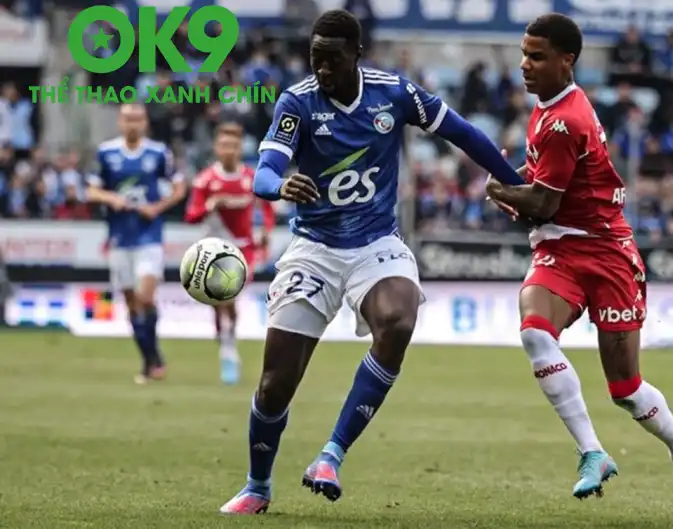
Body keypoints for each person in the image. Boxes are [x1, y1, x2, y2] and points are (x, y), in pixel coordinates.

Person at [220, 9, 524, 515]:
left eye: (332, 59)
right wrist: (280, 186)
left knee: (399, 318)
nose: (322, 69)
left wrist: (514, 180)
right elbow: (264, 172)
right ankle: (258, 485)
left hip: (375, 244)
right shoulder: (297, 102)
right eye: (315, 58)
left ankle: (331, 455)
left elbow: (463, 133)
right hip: (314, 249)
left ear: (357, 54)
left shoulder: (394, 93)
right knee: (275, 385)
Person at [484, 13, 673, 518]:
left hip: (607, 253)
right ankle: (593, 452)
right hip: (561, 251)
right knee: (535, 333)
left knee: (625, 390)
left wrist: (502, 189)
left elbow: (543, 201)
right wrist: (513, 184)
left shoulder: (566, 119)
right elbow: (544, 179)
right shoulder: (549, 106)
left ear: (566, 61)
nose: (525, 65)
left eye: (537, 56)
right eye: (524, 54)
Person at [85, 104, 186, 384]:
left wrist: (158, 207)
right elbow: (91, 190)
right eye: (128, 119)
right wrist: (111, 199)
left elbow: (180, 188)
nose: (133, 124)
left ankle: (153, 360)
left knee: (146, 298)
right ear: (120, 122)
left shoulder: (158, 153)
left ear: (145, 123)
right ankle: (150, 360)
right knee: (131, 304)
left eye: (138, 119)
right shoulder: (106, 152)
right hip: (119, 237)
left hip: (149, 236)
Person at [184, 122, 275, 385]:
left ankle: (229, 349)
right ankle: (225, 339)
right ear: (216, 148)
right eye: (224, 145)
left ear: (240, 148)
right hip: (212, 248)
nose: (229, 150)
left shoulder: (251, 177)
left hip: (243, 248)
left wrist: (266, 231)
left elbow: (267, 208)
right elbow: (191, 216)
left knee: (229, 295)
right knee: (218, 302)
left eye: (234, 146)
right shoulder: (205, 180)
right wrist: (210, 205)